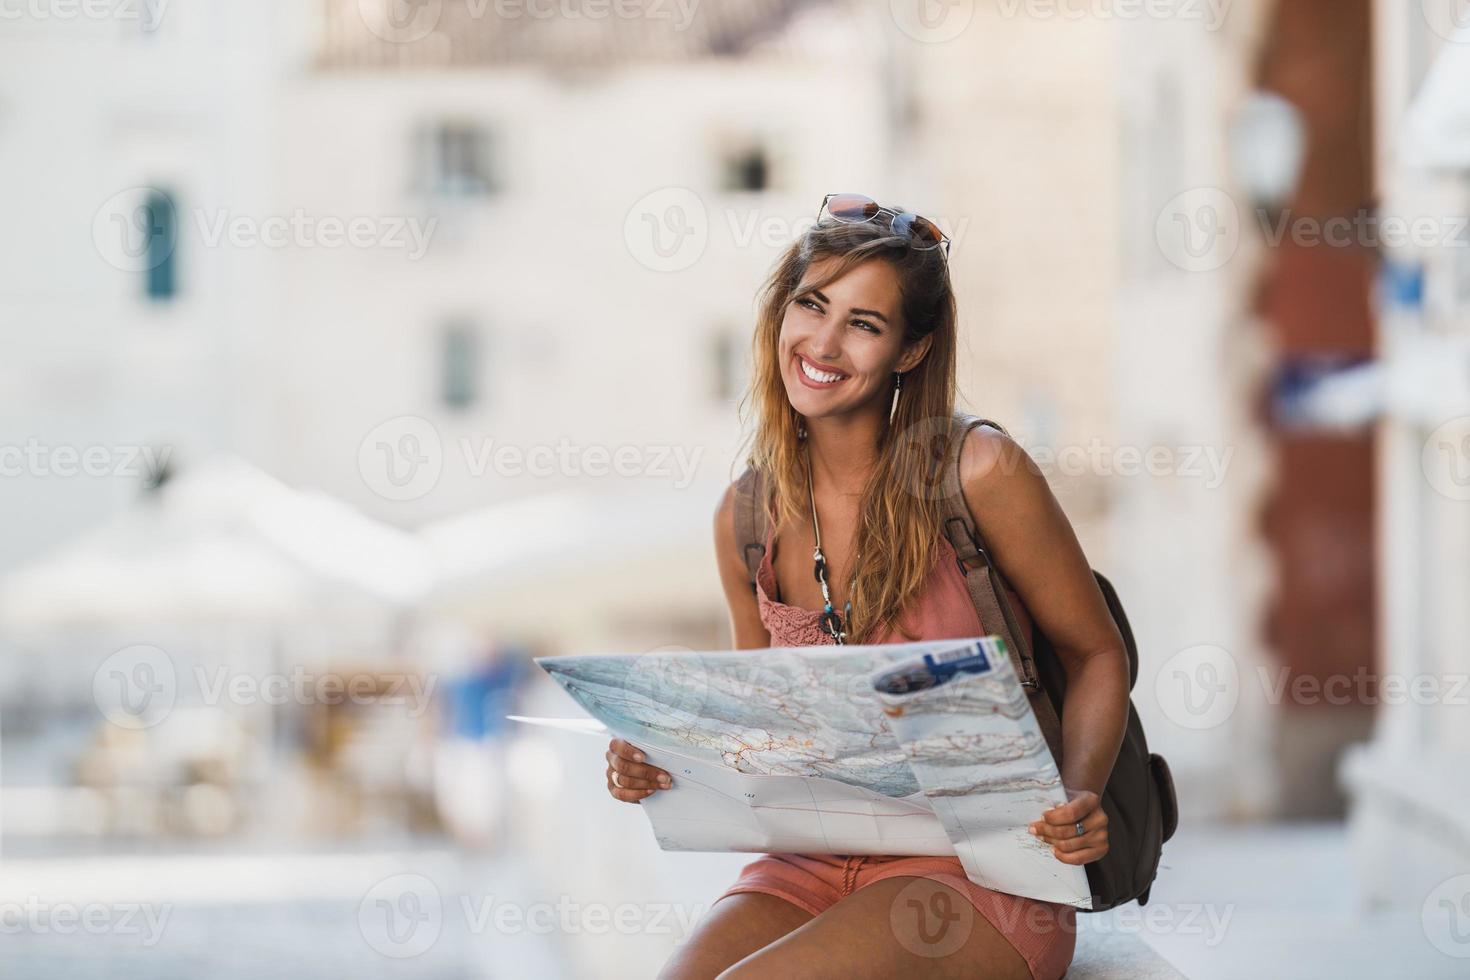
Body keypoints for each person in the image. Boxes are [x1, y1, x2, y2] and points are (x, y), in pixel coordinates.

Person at [605, 194, 1131, 979]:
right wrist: (660, 760)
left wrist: (1079, 801)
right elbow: (762, 730)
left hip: (980, 869)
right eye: (811, 304)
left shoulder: (980, 472)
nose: (822, 341)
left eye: (863, 322)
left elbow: (1095, 653)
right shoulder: (746, 514)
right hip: (811, 862)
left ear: (910, 352)